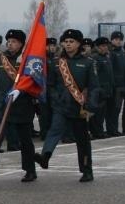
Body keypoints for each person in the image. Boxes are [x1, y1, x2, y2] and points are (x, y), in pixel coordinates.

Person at [34, 29, 101, 183]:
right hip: (62, 106)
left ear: (78, 44)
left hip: (80, 107)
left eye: (72, 41)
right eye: (66, 41)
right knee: (54, 131)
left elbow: (94, 87)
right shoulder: (57, 62)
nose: (68, 44)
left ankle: (87, 170)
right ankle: (45, 156)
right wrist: (55, 99)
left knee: (82, 141)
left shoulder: (88, 63)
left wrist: (90, 107)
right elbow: (50, 85)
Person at [0, 30, 37, 178]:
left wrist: (21, 92)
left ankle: (30, 170)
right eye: (9, 41)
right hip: (3, 103)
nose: (10, 44)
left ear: (21, 44)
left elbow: (32, 80)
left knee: (25, 139)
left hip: (22, 103)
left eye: (14, 42)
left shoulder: (27, 59)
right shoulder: (1, 59)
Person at [90, 37, 114, 140]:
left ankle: (100, 130)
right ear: (98, 47)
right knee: (98, 113)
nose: (105, 48)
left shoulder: (106, 58)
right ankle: (97, 132)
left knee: (103, 112)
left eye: (106, 46)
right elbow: (95, 76)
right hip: (99, 90)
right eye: (103, 46)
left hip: (107, 90)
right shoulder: (96, 59)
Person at [107, 30, 125, 137]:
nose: (118, 41)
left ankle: (114, 128)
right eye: (116, 39)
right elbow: (110, 70)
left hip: (121, 85)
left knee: (117, 108)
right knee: (112, 109)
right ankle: (111, 129)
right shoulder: (111, 53)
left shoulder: (121, 53)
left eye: (120, 40)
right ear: (112, 40)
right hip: (114, 85)